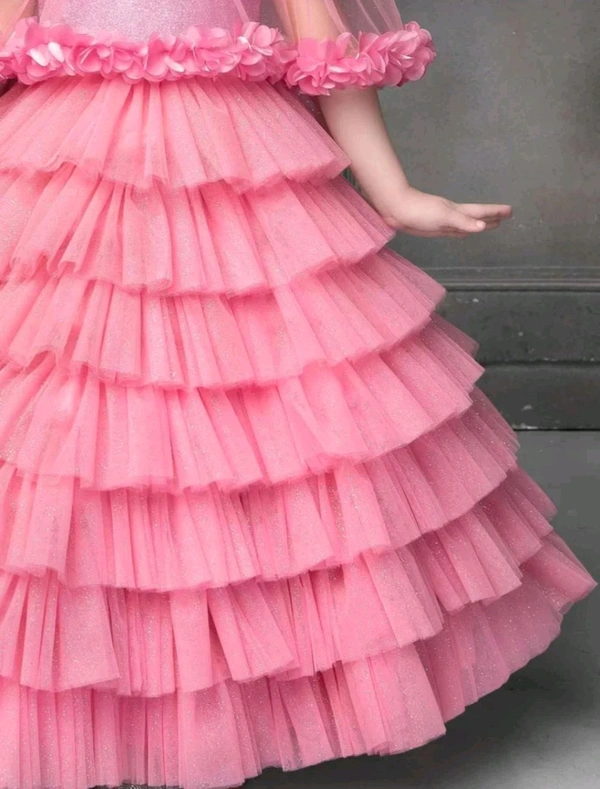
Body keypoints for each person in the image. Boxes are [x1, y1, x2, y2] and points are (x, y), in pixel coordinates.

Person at [0, 2, 595, 788]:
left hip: (223, 154)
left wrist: (393, 191)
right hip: (66, 162)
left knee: (245, 423)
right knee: (59, 418)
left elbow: (323, 40)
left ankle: (222, 700)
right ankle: (71, 697)